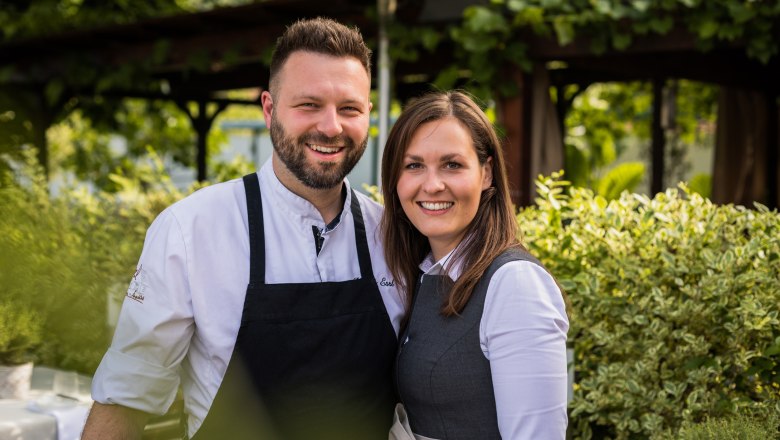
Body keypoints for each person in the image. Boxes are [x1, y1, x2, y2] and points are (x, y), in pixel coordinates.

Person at [82, 17, 404, 440]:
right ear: (269, 109)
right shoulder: (191, 230)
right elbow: (127, 397)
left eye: (349, 109)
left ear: (368, 115)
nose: (331, 127)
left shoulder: (393, 236)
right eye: (309, 105)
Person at [380, 91, 569, 440]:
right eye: (414, 165)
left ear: (486, 174)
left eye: (452, 165)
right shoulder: (424, 275)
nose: (432, 185)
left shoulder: (514, 284)